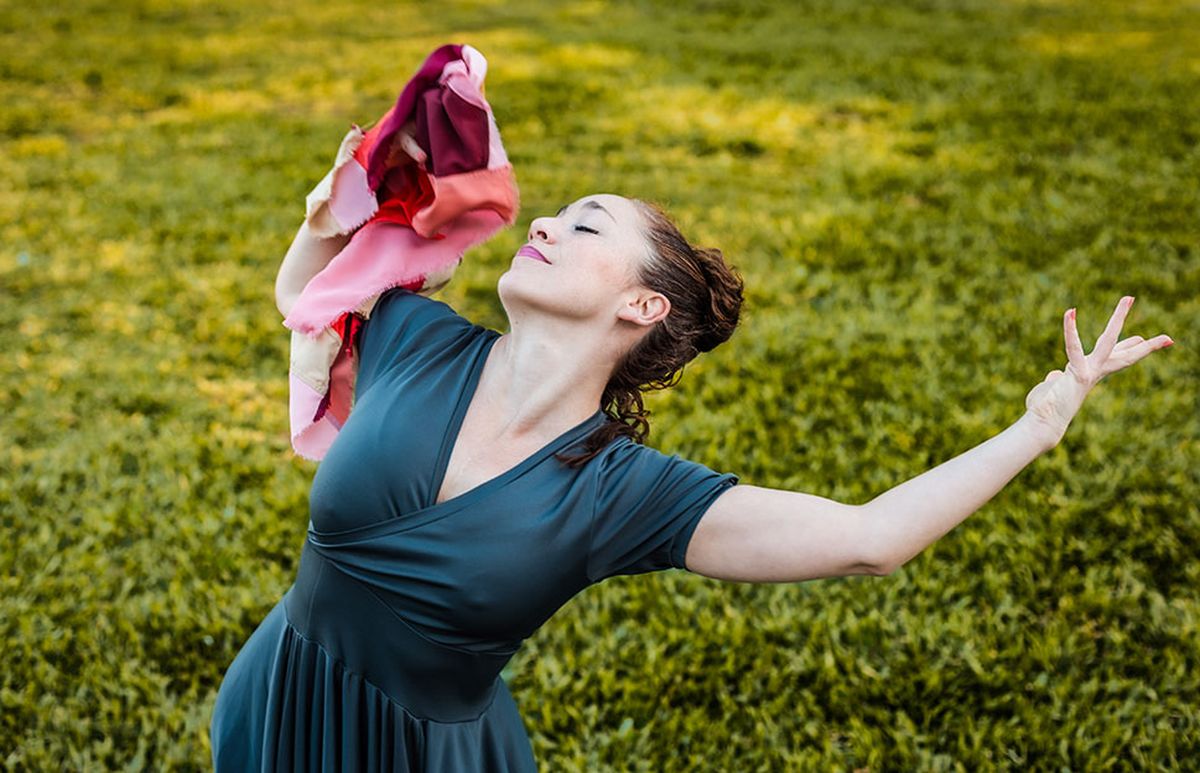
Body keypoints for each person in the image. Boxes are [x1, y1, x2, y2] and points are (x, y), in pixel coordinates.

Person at [210, 189, 1174, 770]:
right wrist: (326, 215)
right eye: (558, 212)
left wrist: (1034, 430)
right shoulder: (415, 336)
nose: (546, 221)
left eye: (585, 226)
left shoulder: (622, 491)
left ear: (641, 301)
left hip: (424, 756)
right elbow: (308, 292)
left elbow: (869, 538)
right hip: (279, 693)